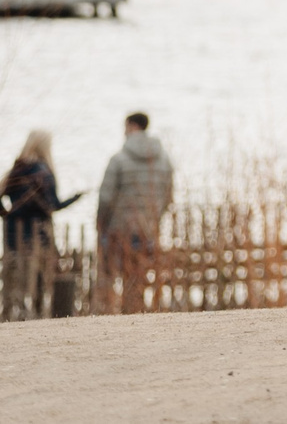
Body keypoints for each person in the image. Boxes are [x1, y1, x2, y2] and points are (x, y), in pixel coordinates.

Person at [96, 111, 173, 314]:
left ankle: (113, 314)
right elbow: (168, 195)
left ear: (132, 126)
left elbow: (106, 197)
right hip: (148, 228)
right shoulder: (164, 160)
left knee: (111, 275)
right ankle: (136, 313)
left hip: (119, 230)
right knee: (138, 277)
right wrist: (154, 219)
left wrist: (101, 223)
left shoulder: (118, 160)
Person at [3, 130, 80, 320]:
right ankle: (35, 315)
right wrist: (74, 198)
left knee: (14, 276)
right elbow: (52, 205)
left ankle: (13, 314)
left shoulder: (16, 170)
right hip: (38, 231)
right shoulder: (43, 172)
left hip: (13, 231)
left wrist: (8, 214)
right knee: (37, 277)